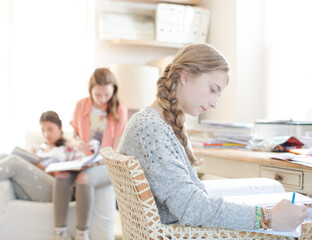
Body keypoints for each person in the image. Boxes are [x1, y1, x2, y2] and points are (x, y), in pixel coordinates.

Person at [117, 44, 308, 232]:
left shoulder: (160, 124)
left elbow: (191, 200)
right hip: (181, 233)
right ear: (185, 76)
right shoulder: (150, 129)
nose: (214, 103)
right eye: (212, 89)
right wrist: (268, 218)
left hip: (183, 228)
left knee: (270, 187)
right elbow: (192, 208)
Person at [53, 68, 128, 240]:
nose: (102, 99)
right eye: (97, 95)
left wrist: (98, 161)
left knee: (83, 179)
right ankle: (60, 233)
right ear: (90, 90)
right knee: (62, 176)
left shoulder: (120, 110)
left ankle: (82, 233)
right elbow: (75, 135)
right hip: (84, 160)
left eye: (106, 95)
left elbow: (117, 150)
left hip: (106, 164)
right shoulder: (81, 106)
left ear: (113, 90)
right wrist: (77, 143)